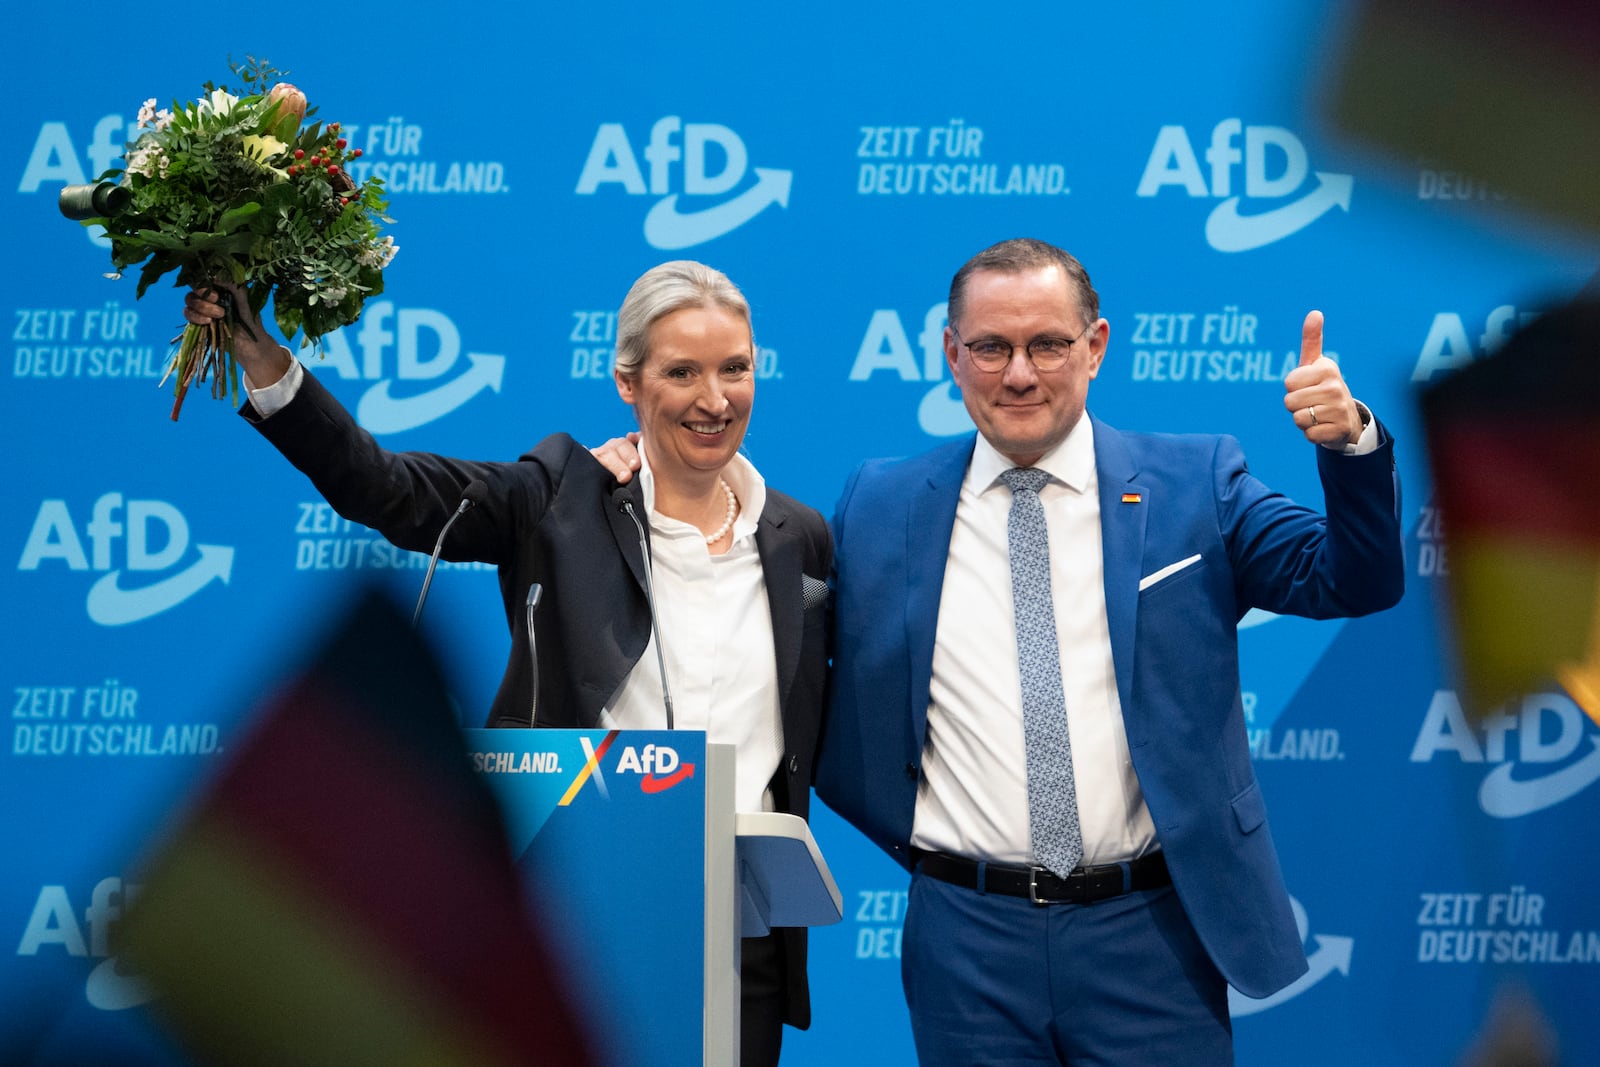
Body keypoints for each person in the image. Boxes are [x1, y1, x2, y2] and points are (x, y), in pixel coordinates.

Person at [183, 260, 832, 1067]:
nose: (714, 398)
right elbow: (385, 488)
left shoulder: (801, 538)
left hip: (742, 944)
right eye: (681, 372)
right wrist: (263, 360)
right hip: (581, 931)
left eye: (734, 368)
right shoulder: (558, 499)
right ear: (627, 383)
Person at [813, 238, 1404, 1065]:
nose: (1019, 373)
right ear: (952, 354)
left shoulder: (1196, 480)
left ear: (1095, 346)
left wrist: (1349, 447)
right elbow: (779, 635)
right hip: (966, 936)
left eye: (1048, 344)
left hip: (1150, 937)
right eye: (991, 347)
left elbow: (1352, 581)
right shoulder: (879, 502)